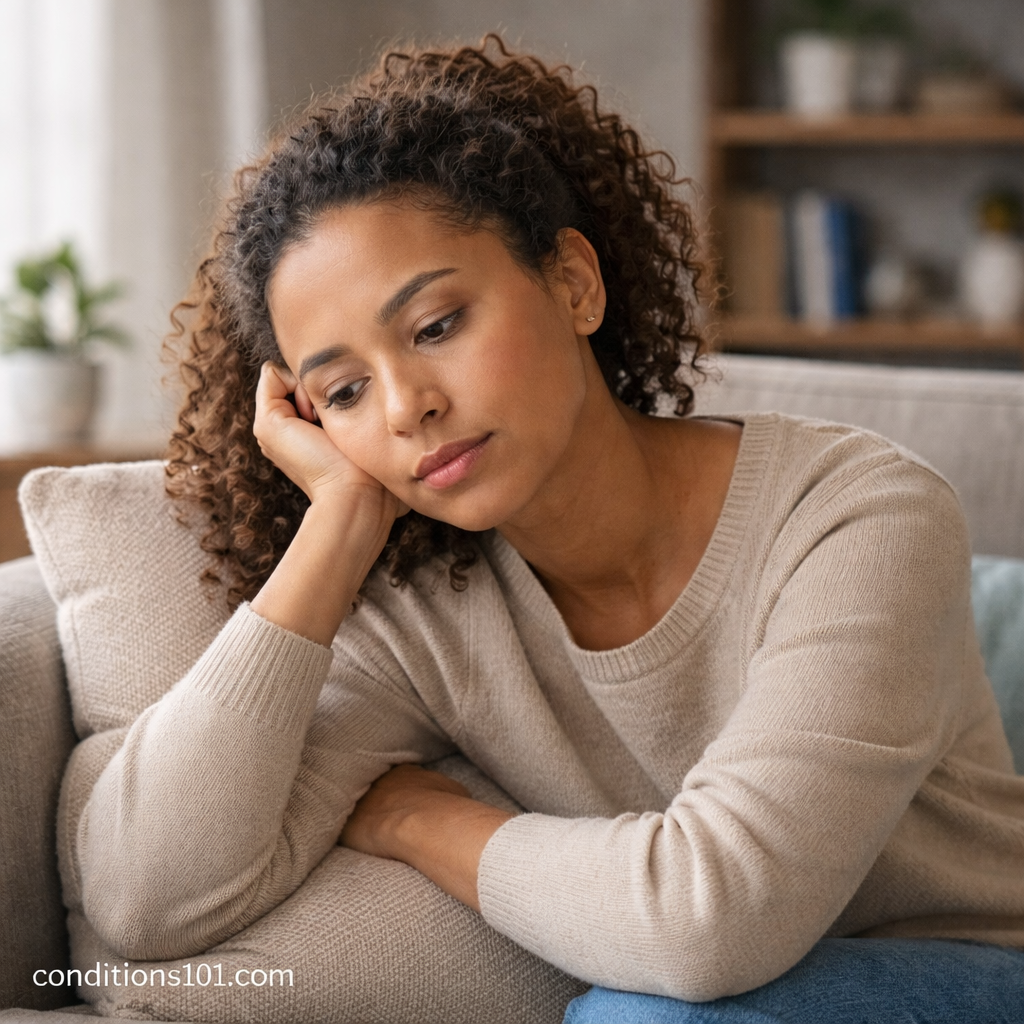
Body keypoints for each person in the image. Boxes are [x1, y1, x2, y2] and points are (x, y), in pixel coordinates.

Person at [78, 37, 1024, 1023]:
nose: (405, 406)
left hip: (976, 968)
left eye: (436, 326)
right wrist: (338, 528)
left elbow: (710, 922)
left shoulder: (860, 514)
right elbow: (142, 897)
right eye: (345, 391)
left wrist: (419, 820)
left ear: (574, 282)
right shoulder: (426, 613)